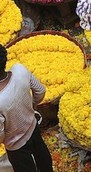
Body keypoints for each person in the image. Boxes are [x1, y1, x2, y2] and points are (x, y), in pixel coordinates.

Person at [0, 44, 52, 172]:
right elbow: (40, 91)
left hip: (16, 145)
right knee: (42, 157)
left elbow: (0, 135)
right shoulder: (20, 70)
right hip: (33, 127)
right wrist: (30, 105)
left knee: (24, 167)